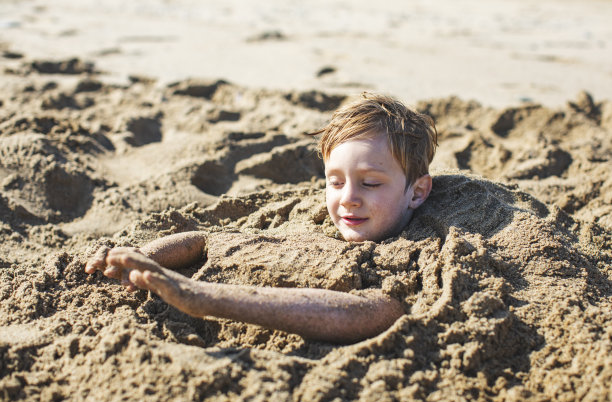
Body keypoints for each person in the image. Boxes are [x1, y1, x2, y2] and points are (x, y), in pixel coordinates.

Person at [85, 93, 438, 344]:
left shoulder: (421, 252)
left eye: (371, 183)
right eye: (335, 181)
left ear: (417, 192)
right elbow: (204, 240)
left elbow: (365, 313)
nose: (348, 198)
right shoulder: (301, 226)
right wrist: (142, 258)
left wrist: (201, 297)